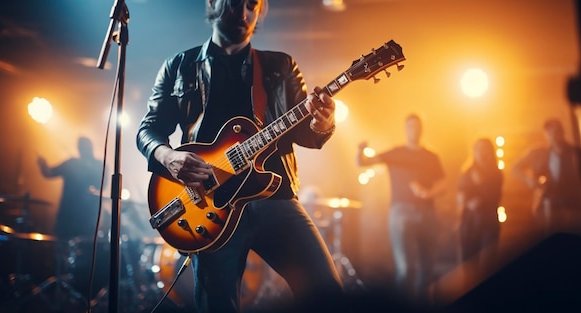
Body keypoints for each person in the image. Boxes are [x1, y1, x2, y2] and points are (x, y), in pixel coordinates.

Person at [135, 1, 345, 312]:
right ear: (212, 3)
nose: (242, 11)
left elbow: (305, 134)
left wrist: (322, 121)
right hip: (208, 204)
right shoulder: (180, 65)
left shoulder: (280, 65)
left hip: (275, 198)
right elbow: (149, 129)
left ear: (261, 10)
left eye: (251, 4)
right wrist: (167, 157)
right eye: (234, 1)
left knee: (328, 297)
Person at [356, 113, 447, 304]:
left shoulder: (431, 156)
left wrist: (427, 193)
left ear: (421, 129)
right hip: (401, 214)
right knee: (406, 269)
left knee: (428, 268)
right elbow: (362, 163)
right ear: (406, 129)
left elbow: (444, 183)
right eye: (410, 126)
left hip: (428, 214)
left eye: (417, 126)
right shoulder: (396, 153)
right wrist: (360, 149)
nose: (414, 130)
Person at [37, 136, 106, 301]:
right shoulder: (75, 164)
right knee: (64, 252)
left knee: (85, 254)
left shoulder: (89, 164)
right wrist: (42, 164)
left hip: (86, 218)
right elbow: (49, 172)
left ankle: (80, 288)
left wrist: (42, 164)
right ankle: (66, 287)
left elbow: (49, 173)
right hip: (72, 217)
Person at [512, 118, 581, 236]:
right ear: (546, 134)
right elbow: (515, 167)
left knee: (574, 233)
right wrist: (529, 180)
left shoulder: (575, 152)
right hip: (547, 201)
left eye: (557, 131)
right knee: (549, 233)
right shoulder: (537, 153)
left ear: (562, 132)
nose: (554, 135)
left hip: (571, 202)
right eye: (550, 132)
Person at [456, 138, 503, 277]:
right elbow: (461, 197)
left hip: (489, 224)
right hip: (468, 225)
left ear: (490, 152)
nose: (482, 152)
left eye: (485, 149)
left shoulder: (496, 174)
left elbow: (493, 196)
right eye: (478, 149)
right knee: (469, 268)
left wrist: (481, 184)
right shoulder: (466, 173)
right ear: (474, 152)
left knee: (487, 267)